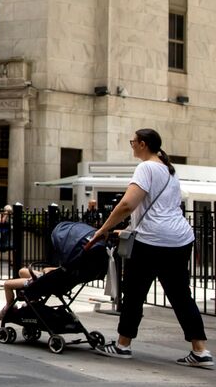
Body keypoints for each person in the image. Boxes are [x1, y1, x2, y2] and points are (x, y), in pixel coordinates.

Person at [86, 128, 212, 367]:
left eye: (132, 141)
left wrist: (102, 229)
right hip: (180, 239)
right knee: (181, 295)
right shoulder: (168, 170)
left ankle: (123, 344)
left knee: (134, 292)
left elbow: (127, 205)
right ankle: (200, 350)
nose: (131, 145)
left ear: (143, 144)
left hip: (152, 240)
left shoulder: (145, 168)